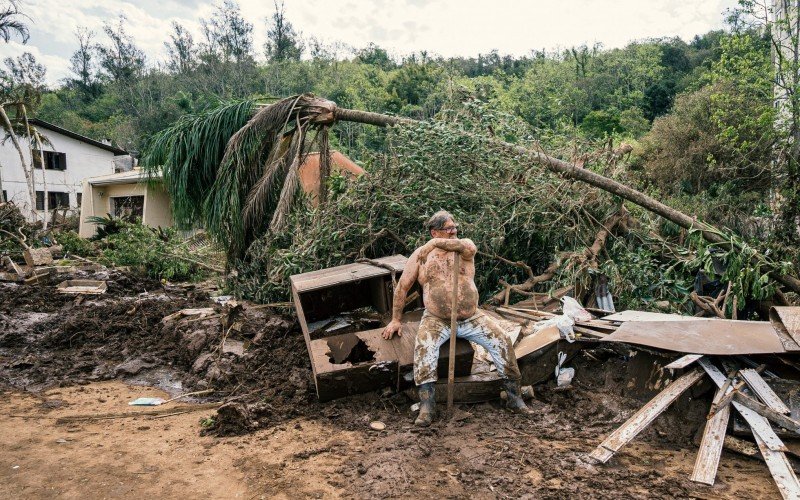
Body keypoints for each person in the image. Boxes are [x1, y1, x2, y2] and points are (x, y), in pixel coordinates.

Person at [382, 210, 533, 426]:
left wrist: (432, 244)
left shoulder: (464, 247)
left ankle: (514, 397)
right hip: (437, 319)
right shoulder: (420, 256)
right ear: (435, 232)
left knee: (501, 340)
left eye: (455, 227)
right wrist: (396, 319)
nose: (454, 232)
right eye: (448, 229)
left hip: (472, 317)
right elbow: (402, 288)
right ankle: (427, 406)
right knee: (424, 349)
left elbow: (465, 246)